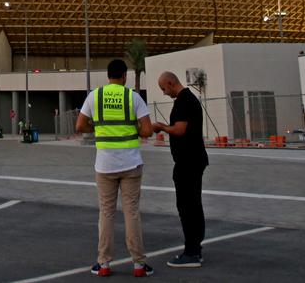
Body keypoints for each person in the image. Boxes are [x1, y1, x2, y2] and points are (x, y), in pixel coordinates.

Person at [75, 58, 155, 277]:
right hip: (131, 163)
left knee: (106, 213)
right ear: (125, 76)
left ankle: (104, 264)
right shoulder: (133, 96)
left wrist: (98, 127)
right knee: (132, 213)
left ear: (108, 75)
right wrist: (134, 128)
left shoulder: (95, 96)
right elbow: (147, 131)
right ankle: (139, 264)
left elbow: (80, 125)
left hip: (105, 165)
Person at [155, 71, 208, 269]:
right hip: (192, 160)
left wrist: (161, 126)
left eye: (163, 88)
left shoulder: (184, 101)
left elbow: (179, 129)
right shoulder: (187, 99)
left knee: (187, 206)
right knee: (193, 205)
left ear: (170, 83)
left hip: (189, 162)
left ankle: (192, 252)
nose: (163, 93)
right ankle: (195, 248)